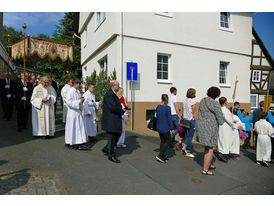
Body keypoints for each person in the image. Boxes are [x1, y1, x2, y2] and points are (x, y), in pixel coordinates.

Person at [196, 87, 224, 175]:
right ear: (217, 95)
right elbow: (220, 118)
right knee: (210, 148)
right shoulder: (215, 103)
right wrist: (221, 121)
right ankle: (205, 169)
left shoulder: (202, 100)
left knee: (207, 147)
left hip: (202, 126)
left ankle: (208, 164)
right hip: (211, 128)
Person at [101, 80, 125, 163]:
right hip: (110, 120)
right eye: (117, 85)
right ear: (113, 86)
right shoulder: (109, 94)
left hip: (114, 119)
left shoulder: (113, 94)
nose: (118, 87)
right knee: (111, 137)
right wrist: (122, 111)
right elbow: (113, 107)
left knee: (117, 134)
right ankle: (111, 155)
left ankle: (107, 148)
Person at [65, 79, 89, 150]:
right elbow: (69, 102)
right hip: (72, 112)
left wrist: (81, 100)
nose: (79, 85)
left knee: (79, 127)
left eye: (80, 83)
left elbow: (79, 101)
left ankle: (79, 142)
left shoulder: (78, 91)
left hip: (77, 111)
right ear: (74, 84)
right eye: (78, 83)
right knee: (72, 127)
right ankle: (69, 142)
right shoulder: (70, 91)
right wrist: (79, 101)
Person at [155, 94, 175, 163]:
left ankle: (162, 155)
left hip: (159, 127)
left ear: (161, 99)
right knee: (168, 141)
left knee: (162, 141)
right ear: (167, 100)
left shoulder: (158, 107)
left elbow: (157, 116)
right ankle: (160, 155)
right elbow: (169, 119)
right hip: (165, 127)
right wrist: (172, 128)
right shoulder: (167, 108)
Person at [181, 88, 197, 158]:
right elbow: (194, 112)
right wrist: (196, 120)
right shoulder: (193, 101)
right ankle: (186, 149)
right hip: (191, 120)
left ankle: (186, 149)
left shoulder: (185, 100)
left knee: (187, 135)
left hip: (185, 120)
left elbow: (183, 110)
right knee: (190, 136)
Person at [217, 97, 234, 162]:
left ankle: (221, 152)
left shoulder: (218, 110)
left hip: (220, 125)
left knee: (221, 139)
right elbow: (229, 120)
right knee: (226, 140)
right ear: (225, 102)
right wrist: (233, 124)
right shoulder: (226, 110)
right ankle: (224, 153)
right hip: (226, 126)